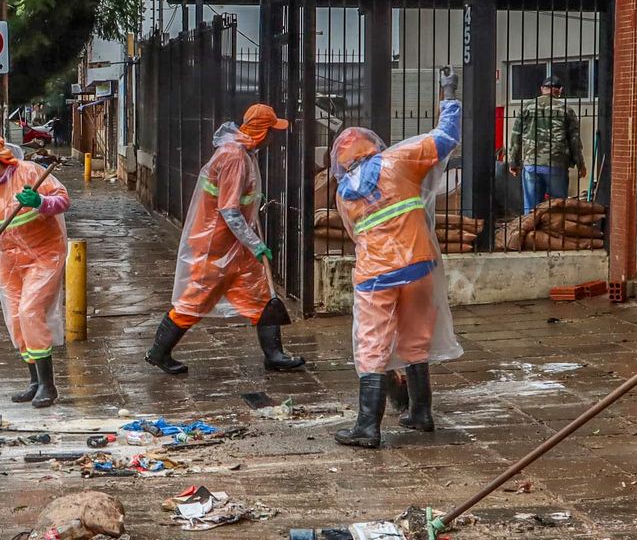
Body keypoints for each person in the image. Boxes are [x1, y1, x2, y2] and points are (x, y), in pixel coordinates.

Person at [327, 80, 464, 448]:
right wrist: (448, 96)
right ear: (373, 146)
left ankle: (367, 427)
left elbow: (356, 235)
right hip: (418, 266)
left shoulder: (344, 193)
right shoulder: (398, 161)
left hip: (375, 275)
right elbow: (447, 137)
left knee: (372, 345)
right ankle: (420, 412)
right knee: (416, 339)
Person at [146, 104, 306, 376]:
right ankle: (158, 352)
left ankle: (275, 355)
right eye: (271, 131)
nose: (274, 137)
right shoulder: (235, 157)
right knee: (194, 302)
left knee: (260, 294)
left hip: (232, 245)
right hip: (216, 246)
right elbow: (229, 210)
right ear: (261, 132)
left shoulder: (242, 151)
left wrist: (253, 203)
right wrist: (256, 244)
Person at [0, 134, 70, 408]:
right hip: (10, 259)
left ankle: (48, 384)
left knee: (30, 311)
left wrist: (39, 203)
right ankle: (34, 381)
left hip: (44, 253)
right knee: (15, 318)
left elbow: (62, 199)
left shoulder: (29, 172)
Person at [506, 75, 586, 214]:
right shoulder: (566, 110)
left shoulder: (527, 107)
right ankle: (556, 234)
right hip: (556, 164)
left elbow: (516, 135)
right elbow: (574, 140)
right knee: (558, 209)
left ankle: (531, 234)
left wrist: (513, 162)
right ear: (559, 90)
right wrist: (580, 164)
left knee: (531, 210)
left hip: (531, 163)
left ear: (542, 89)